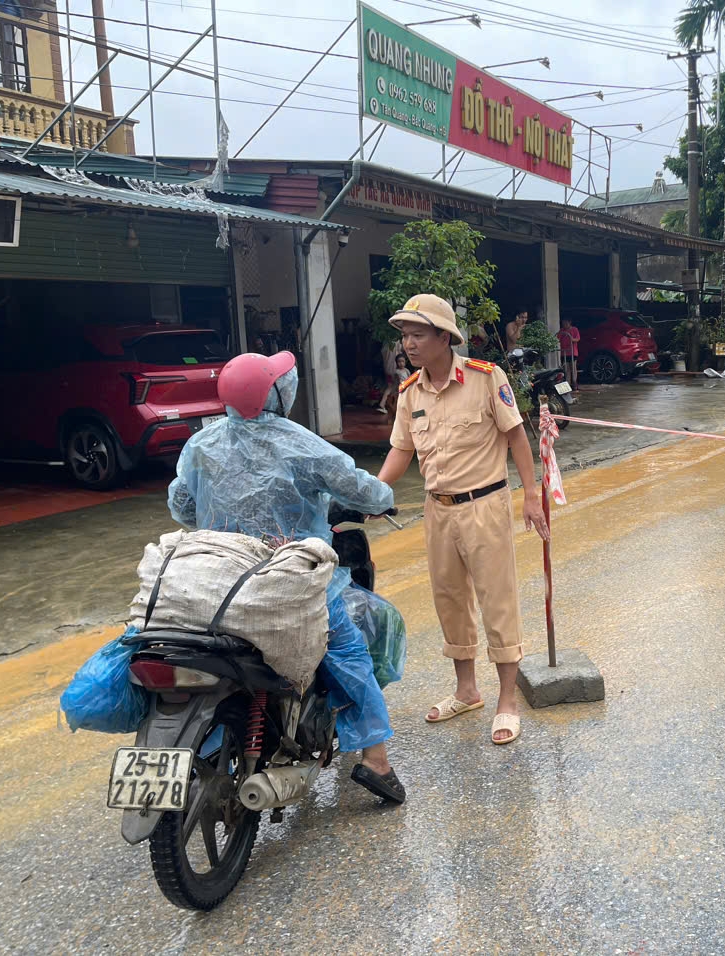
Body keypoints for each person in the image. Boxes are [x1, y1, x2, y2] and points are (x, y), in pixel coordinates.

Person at [167, 350, 407, 804]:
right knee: (351, 652)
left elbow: (181, 506)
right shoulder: (300, 442)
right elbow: (363, 489)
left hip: (216, 580)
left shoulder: (201, 444)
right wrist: (383, 498)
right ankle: (376, 760)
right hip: (291, 579)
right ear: (277, 393)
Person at [376, 294, 550, 746]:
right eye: (405, 336)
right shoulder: (410, 391)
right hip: (438, 509)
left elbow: (516, 437)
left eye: (417, 334)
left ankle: (507, 700)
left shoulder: (485, 379)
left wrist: (531, 495)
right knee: (449, 599)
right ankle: (467, 690)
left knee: (498, 599)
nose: (409, 344)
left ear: (443, 336)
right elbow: (401, 449)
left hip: (485, 505)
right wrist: (373, 492)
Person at [556, 316, 581, 387]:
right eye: (563, 323)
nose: (564, 324)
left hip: (573, 352)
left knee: (573, 368)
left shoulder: (574, 329)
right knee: (566, 369)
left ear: (570, 322)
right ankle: (568, 384)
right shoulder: (561, 331)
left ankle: (574, 382)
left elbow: (578, 339)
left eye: (566, 323)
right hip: (564, 353)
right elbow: (557, 338)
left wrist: (572, 339)